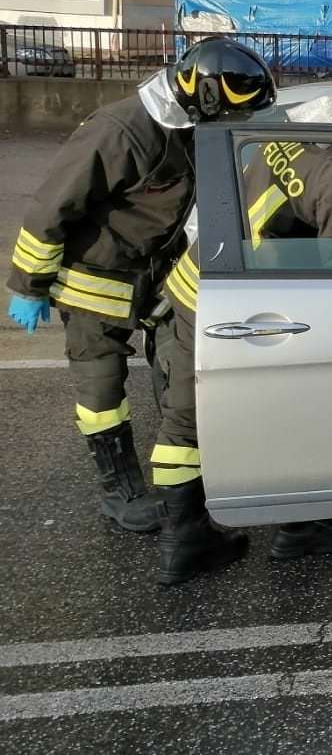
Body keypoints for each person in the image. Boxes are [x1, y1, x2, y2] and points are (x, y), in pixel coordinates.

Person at [154, 67, 332, 586]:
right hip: (254, 300)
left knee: (184, 420)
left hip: (202, 280)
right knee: (308, 406)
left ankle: (185, 539)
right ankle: (305, 525)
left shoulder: (308, 130)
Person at [5, 38, 275, 533]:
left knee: (180, 368)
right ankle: (119, 492)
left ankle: (183, 477)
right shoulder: (120, 130)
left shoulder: (192, 127)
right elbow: (51, 208)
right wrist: (28, 284)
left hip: (154, 278)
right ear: (207, 94)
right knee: (101, 390)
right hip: (95, 281)